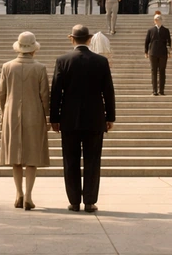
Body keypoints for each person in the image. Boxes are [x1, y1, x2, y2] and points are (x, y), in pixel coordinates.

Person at [50, 25, 116, 213]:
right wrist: (110, 116)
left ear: (72, 39)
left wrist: (54, 117)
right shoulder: (101, 61)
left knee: (70, 160)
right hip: (95, 118)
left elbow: (56, 92)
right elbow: (108, 92)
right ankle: (89, 201)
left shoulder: (62, 61)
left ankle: (73, 201)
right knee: (93, 160)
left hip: (69, 118)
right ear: (89, 40)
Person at [0, 32, 51, 210]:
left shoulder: (7, 67)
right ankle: (29, 194)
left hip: (11, 113)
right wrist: (48, 116)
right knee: (32, 156)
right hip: (34, 114)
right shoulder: (40, 68)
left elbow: (2, 93)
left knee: (15, 156)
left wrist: (2, 113)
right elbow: (45, 95)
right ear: (34, 49)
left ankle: (18, 193)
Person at [144, 13, 172, 95]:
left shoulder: (166, 30)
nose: (157, 21)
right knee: (154, 71)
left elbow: (169, 41)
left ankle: (161, 90)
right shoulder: (151, 30)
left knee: (162, 71)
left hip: (163, 53)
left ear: (161, 20)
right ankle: (154, 90)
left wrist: (169, 51)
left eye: (158, 19)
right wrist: (146, 51)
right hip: (153, 53)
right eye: (156, 19)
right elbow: (147, 41)